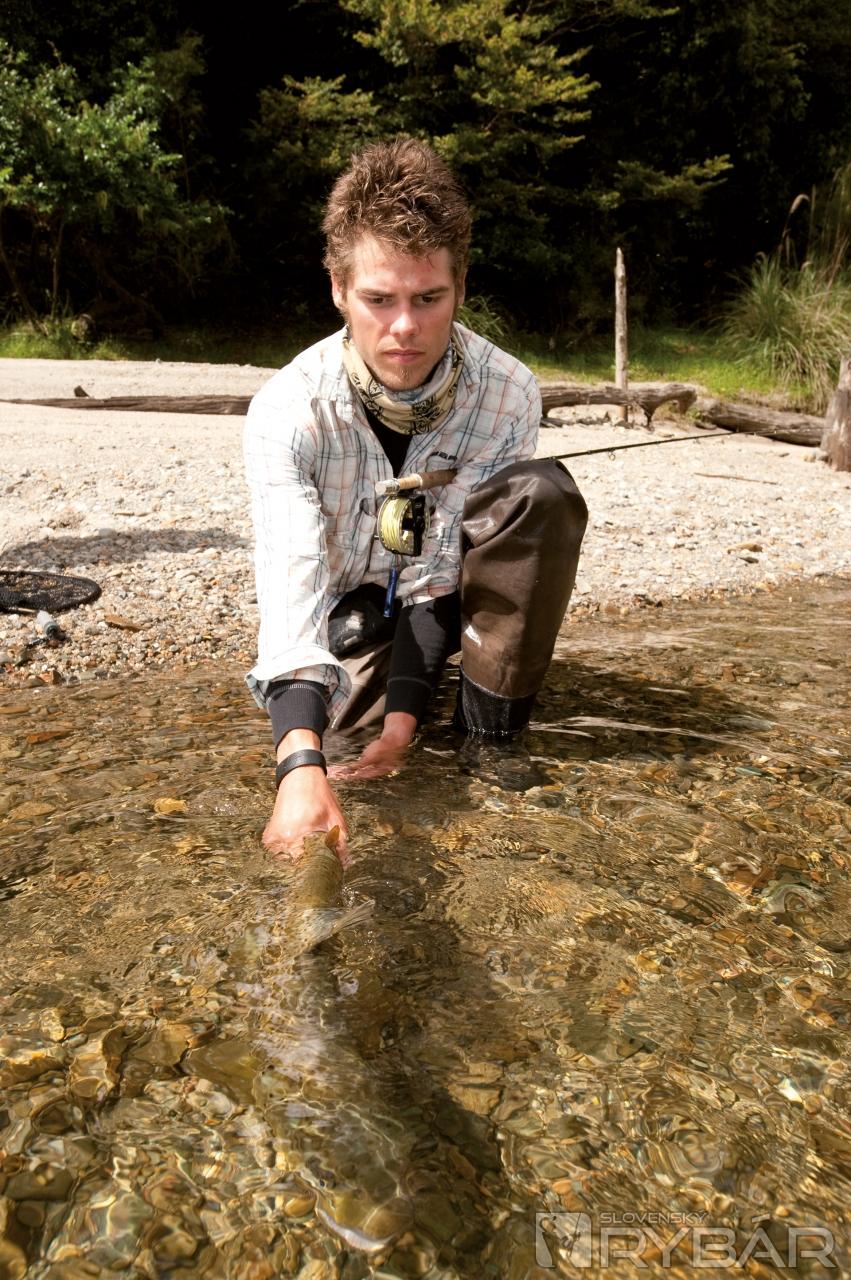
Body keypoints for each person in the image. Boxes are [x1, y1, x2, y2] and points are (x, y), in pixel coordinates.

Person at [244, 138, 587, 859]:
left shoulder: (508, 392)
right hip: (349, 607)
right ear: (338, 289)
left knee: (542, 494)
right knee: (338, 748)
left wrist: (403, 731)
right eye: (379, 299)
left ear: (460, 286)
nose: (404, 327)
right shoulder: (286, 412)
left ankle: (490, 738)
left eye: (428, 298)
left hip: (445, 594)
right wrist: (298, 765)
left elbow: (438, 574)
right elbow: (291, 583)